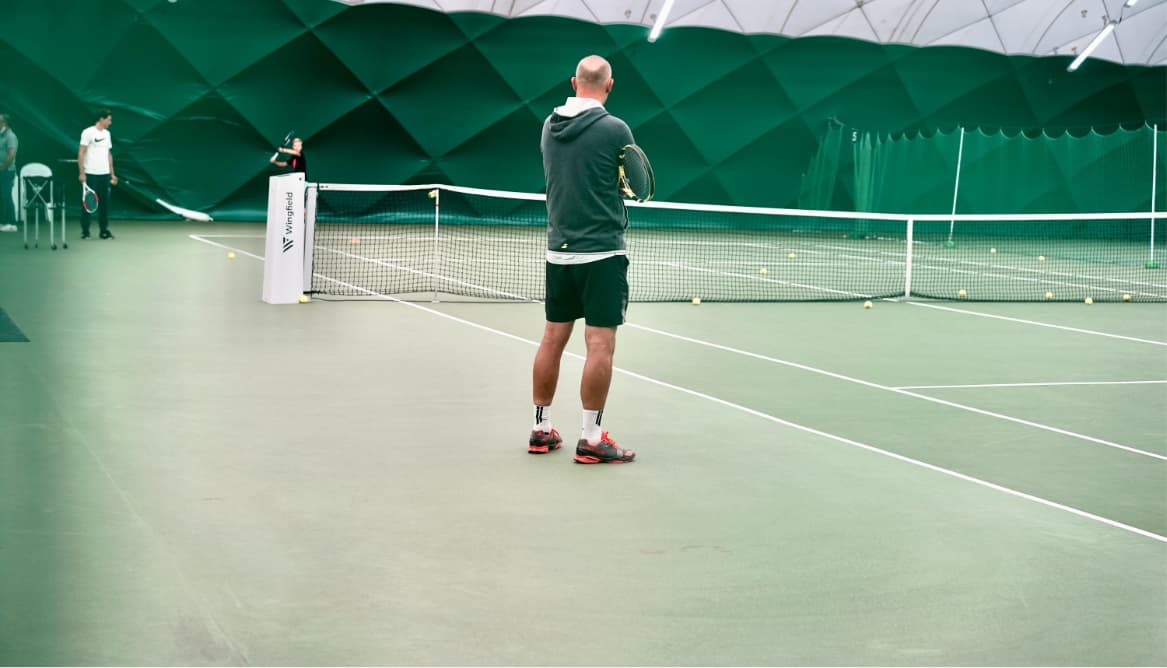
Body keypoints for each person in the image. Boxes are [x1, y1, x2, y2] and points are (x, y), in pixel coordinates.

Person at [528, 55, 636, 464]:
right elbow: (634, 182)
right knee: (600, 345)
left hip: (559, 251)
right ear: (609, 86)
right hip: (602, 252)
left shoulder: (548, 126)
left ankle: (541, 429)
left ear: (574, 82)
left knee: (552, 338)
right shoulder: (615, 129)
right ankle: (591, 438)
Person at [77, 108, 118, 239]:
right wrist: (82, 173)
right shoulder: (88, 132)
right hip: (91, 173)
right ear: (102, 118)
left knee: (104, 204)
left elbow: (108, 154)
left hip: (104, 174)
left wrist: (112, 173)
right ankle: (85, 231)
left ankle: (104, 231)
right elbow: (81, 152)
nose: (110, 122)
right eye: (109, 119)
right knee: (88, 203)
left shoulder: (107, 134)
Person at [0, 113, 17, 232]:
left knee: (5, 196)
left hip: (7, 171)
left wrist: (3, 167)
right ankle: (3, 222)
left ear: (4, 123)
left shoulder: (10, 136)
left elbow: (11, 154)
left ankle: (10, 223)